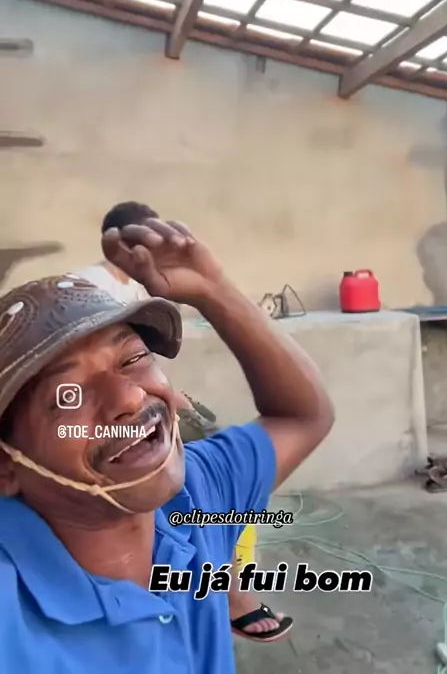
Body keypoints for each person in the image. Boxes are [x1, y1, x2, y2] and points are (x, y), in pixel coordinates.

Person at [0, 218, 335, 673]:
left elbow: (304, 415)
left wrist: (214, 290)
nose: (130, 397)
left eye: (134, 358)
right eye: (66, 396)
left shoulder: (195, 498)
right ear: (6, 465)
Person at [76, 201, 293, 641]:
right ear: (128, 243)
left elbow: (137, 363)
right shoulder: (90, 288)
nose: (159, 252)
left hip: (152, 405)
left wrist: (172, 395)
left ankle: (226, 578)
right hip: (116, 421)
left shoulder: (135, 287)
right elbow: (100, 377)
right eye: (150, 241)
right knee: (214, 474)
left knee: (230, 475)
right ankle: (228, 591)